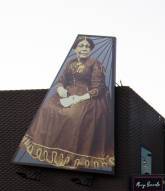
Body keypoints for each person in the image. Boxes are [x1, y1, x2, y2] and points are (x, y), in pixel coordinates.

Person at [14, 36, 113, 171]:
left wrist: (77, 99)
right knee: (47, 108)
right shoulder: (70, 62)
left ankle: (71, 156)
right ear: (75, 48)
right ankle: (49, 149)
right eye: (81, 46)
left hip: (88, 96)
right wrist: (60, 88)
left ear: (90, 49)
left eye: (87, 46)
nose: (84, 49)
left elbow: (99, 88)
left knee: (74, 115)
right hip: (68, 92)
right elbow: (62, 80)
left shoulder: (95, 63)